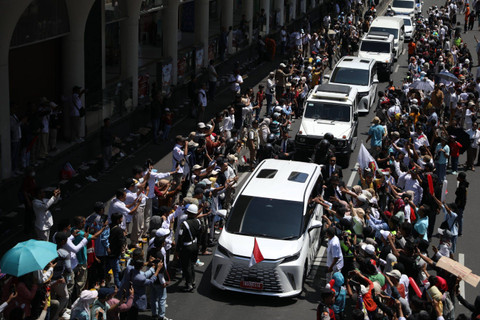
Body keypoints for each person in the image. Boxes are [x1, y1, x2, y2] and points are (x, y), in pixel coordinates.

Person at [176, 204, 204, 292]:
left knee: (186, 266)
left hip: (186, 247)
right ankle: (193, 281)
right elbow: (200, 235)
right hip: (195, 245)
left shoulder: (184, 224)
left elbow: (180, 239)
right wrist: (198, 245)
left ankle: (189, 284)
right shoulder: (199, 222)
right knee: (192, 264)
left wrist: (177, 250)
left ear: (188, 212)